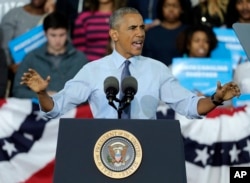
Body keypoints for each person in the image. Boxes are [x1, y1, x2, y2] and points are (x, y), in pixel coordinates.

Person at [20, 7, 240, 119]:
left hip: (147, 150)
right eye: (132, 28)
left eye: (142, 28)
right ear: (114, 35)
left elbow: (190, 106)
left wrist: (216, 99)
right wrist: (42, 94)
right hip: (104, 152)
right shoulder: (92, 70)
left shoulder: (157, 69)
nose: (140, 33)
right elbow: (57, 107)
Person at [12, 11, 88, 99]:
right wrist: (43, 96)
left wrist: (65, 97)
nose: (57, 40)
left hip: (72, 110)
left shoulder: (80, 59)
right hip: (37, 109)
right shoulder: (31, 58)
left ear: (67, 33)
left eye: (62, 35)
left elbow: (89, 92)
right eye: (53, 35)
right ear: (45, 34)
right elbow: (18, 90)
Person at [0, 0, 53, 96]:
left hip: (46, 75)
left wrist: (52, 14)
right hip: (17, 75)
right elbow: (4, 48)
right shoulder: (14, 15)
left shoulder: (51, 16)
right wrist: (10, 65)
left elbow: (63, 44)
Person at [142, 0, 191, 66]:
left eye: (175, 6)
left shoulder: (189, 32)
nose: (171, 9)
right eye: (167, 6)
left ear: (182, 9)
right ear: (161, 8)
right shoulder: (151, 33)